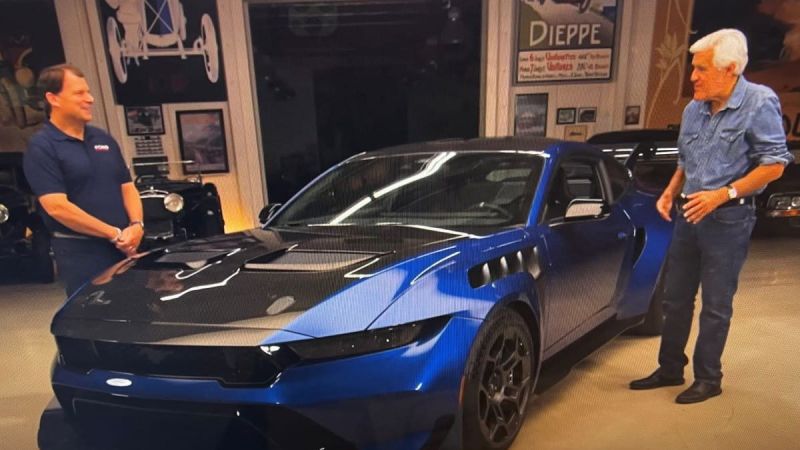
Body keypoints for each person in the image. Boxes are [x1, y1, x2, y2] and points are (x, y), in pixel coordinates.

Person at [629, 30, 794, 403]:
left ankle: (708, 378)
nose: (693, 77)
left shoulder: (758, 103)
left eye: (701, 69)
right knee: (675, 298)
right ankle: (670, 368)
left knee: (716, 304)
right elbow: (686, 160)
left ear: (731, 68)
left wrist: (723, 194)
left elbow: (774, 165)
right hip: (689, 213)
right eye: (693, 68)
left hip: (729, 219)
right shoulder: (694, 109)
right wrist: (672, 191)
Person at [23, 64, 143, 296]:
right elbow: (57, 207)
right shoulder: (42, 146)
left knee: (134, 314)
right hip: (82, 253)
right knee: (95, 319)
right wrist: (114, 233)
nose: (90, 99)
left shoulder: (103, 139)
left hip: (125, 248)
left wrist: (136, 226)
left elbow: (127, 187)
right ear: (53, 98)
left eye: (88, 92)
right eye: (79, 93)